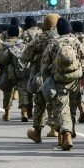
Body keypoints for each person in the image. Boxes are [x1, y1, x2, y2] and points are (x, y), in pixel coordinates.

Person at [45, 18, 84, 150]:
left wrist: (46, 79)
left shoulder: (53, 43)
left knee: (62, 107)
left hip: (59, 80)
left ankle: (66, 135)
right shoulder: (77, 42)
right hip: (75, 79)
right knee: (72, 108)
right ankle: (70, 130)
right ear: (70, 29)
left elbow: (45, 64)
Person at [25, 14, 60, 143]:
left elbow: (25, 56)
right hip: (57, 76)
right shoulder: (62, 38)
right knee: (57, 103)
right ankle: (58, 130)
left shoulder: (39, 38)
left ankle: (37, 133)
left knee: (40, 104)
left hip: (41, 76)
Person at [0, 25, 29, 121]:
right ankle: (24, 113)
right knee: (23, 91)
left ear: (8, 34)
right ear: (18, 34)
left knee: (7, 92)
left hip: (8, 72)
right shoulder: (24, 44)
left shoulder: (4, 45)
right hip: (21, 71)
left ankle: (7, 114)